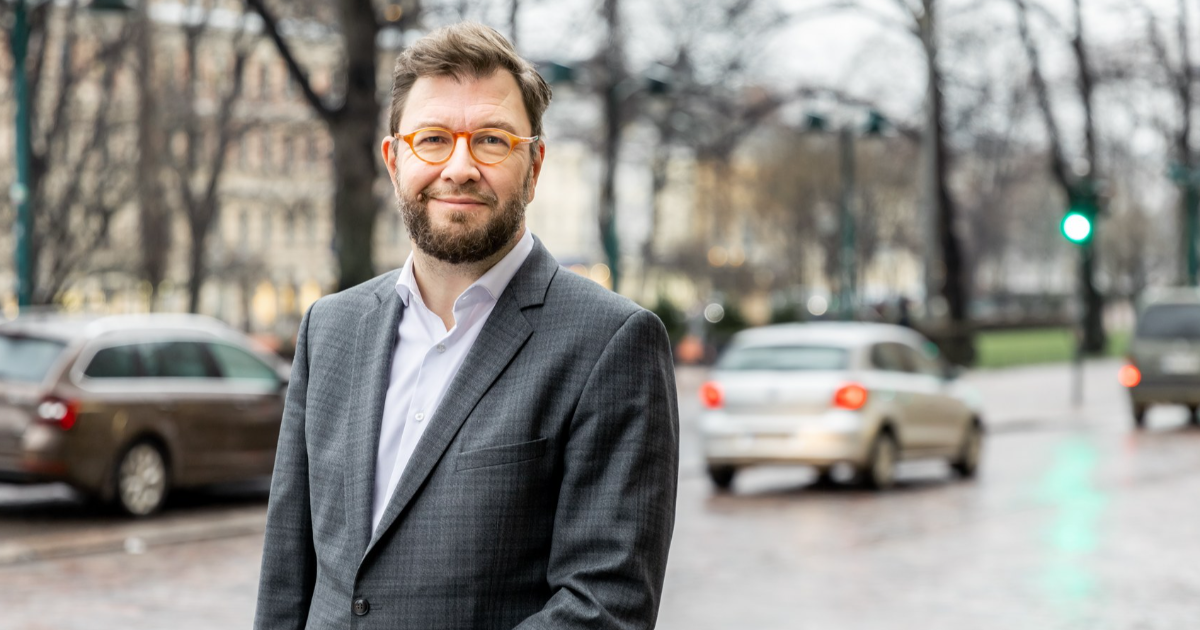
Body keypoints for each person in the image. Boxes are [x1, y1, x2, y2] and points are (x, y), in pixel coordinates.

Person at [254, 22, 680, 630]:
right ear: (394, 159)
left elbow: (605, 607)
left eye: (491, 140)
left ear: (533, 165)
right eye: (432, 139)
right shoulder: (330, 327)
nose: (459, 166)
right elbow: (286, 578)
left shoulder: (613, 344)